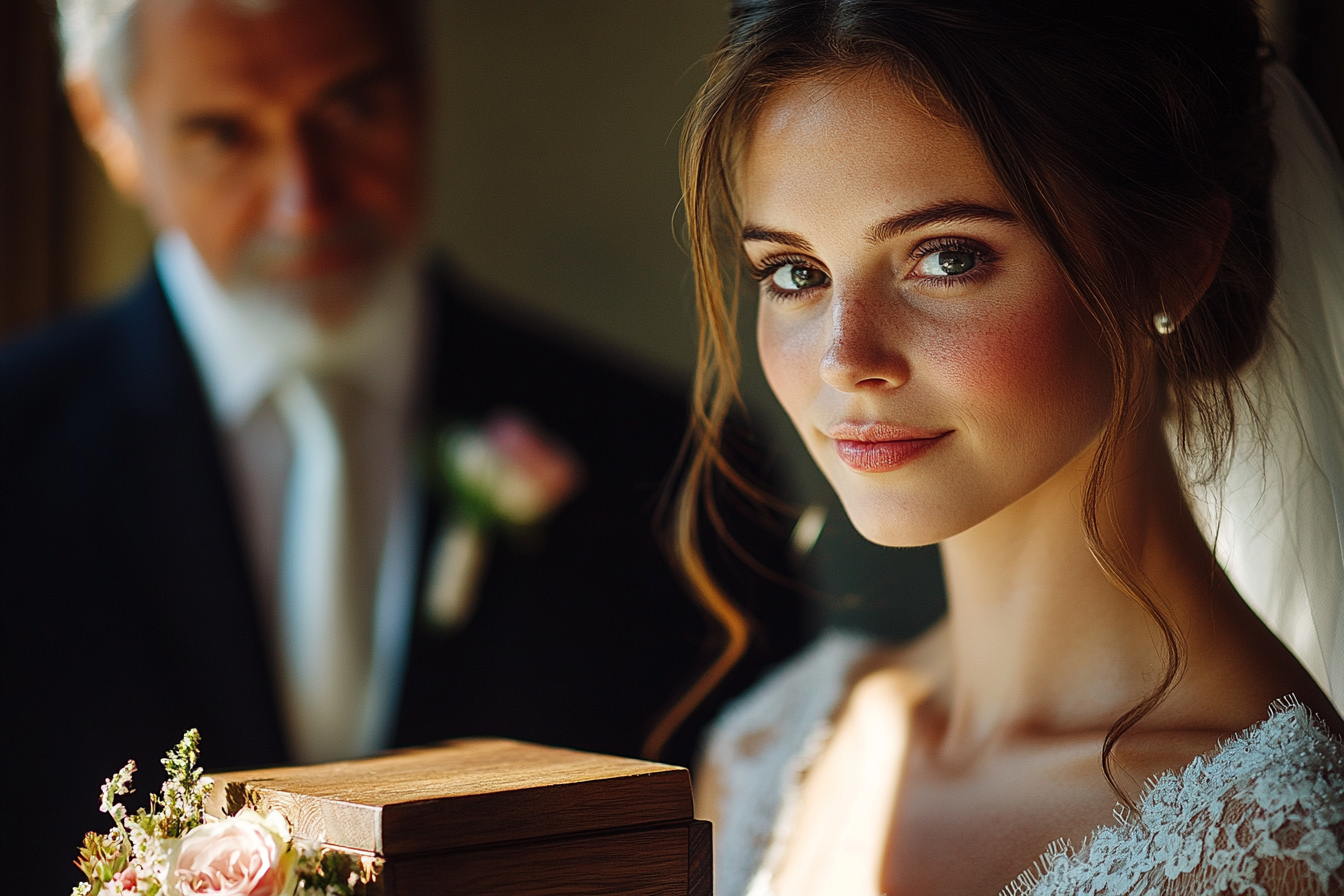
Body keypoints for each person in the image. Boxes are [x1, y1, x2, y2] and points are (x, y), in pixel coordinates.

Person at [0, 0, 805, 889]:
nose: (305, 199)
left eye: (352, 108)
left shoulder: (670, 461)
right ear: (104, 121)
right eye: (224, 135)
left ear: (422, 83)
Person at [671, 0, 1344, 893]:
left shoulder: (1280, 847)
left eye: (946, 257)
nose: (846, 360)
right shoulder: (766, 754)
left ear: (1177, 258)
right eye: (796, 274)